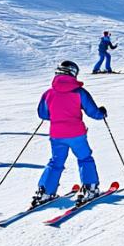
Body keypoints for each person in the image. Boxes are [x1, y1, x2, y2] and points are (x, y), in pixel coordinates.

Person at [32, 60, 107, 207]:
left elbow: (43, 114)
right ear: (73, 74)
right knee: (85, 158)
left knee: (55, 162)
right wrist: (102, 113)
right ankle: (90, 188)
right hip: (76, 134)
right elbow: (93, 112)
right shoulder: (79, 93)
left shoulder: (48, 93)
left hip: (57, 135)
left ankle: (45, 191)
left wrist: (57, 115)